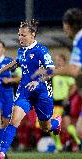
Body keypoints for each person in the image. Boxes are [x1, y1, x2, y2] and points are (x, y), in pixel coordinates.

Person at [0, 19, 62, 159]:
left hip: (42, 93)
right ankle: (1, 153)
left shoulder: (41, 51)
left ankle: (56, 123)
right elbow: (16, 62)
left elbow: (51, 70)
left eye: (23, 35)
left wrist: (38, 81)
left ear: (33, 35)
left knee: (45, 127)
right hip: (25, 91)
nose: (20, 38)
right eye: (19, 35)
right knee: (14, 120)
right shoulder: (21, 50)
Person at [32, 8, 82, 146]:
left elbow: (74, 70)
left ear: (68, 25)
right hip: (55, 102)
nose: (64, 30)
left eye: (64, 25)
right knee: (79, 130)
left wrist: (49, 71)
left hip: (62, 102)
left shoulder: (80, 38)